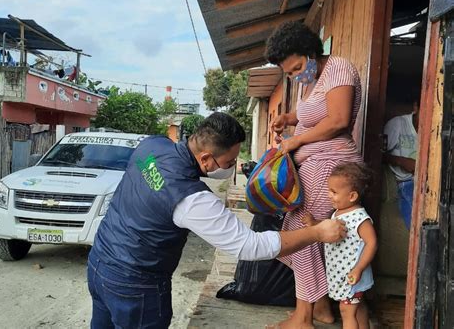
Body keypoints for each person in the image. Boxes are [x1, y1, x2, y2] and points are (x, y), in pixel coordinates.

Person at [87, 112, 347, 329]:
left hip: (99, 264)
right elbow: (249, 246)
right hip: (134, 286)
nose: (233, 165)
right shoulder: (191, 198)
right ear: (205, 159)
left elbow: (148, 184)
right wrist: (318, 234)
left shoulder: (151, 146)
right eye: (230, 161)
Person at [265, 21, 363, 329]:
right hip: (314, 165)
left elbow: (338, 120)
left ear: (310, 52)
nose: (295, 76)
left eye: (296, 68)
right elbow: (313, 113)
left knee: (302, 232)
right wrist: (288, 117)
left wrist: (296, 140)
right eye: (290, 73)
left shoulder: (338, 69)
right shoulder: (315, 80)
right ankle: (320, 306)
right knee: (305, 232)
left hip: (330, 165)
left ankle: (303, 317)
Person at [303, 162, 377, 329]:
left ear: (352, 196)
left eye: (334, 192)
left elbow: (372, 243)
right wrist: (315, 223)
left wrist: (359, 268)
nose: (329, 195)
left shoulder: (360, 218)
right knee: (358, 309)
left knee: (346, 311)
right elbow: (329, 227)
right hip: (344, 274)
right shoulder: (339, 211)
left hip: (353, 274)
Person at [383, 97, 419, 229]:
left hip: (426, 184)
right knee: (418, 224)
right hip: (406, 182)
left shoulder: (435, 130)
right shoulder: (398, 124)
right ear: (416, 107)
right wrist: (401, 161)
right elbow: (377, 154)